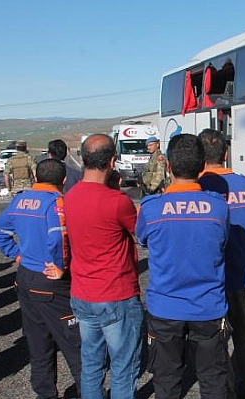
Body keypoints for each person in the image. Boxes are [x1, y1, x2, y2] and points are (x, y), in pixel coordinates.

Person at [136, 134, 230, 399]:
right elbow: (224, 242)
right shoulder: (218, 207)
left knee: (166, 380)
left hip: (165, 307)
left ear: (168, 166)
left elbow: (142, 239)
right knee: (213, 380)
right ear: (202, 166)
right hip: (208, 306)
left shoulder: (151, 209)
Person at [0, 159, 81, 399]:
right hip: (51, 280)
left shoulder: (20, 200)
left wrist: (17, 256)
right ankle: (87, 390)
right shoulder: (56, 203)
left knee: (38, 343)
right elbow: (58, 238)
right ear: (63, 180)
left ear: (35, 177)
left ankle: (45, 393)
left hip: (27, 278)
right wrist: (60, 267)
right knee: (74, 343)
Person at [65, 134, 143, 399]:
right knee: (123, 366)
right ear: (112, 162)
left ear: (83, 159)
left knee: (91, 363)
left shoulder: (71, 196)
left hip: (82, 293)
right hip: (116, 294)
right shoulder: (117, 201)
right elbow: (141, 234)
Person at [198, 129, 245, 399]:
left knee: (212, 339)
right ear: (226, 154)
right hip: (244, 276)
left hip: (209, 279)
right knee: (244, 334)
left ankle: (223, 389)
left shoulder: (198, 188)